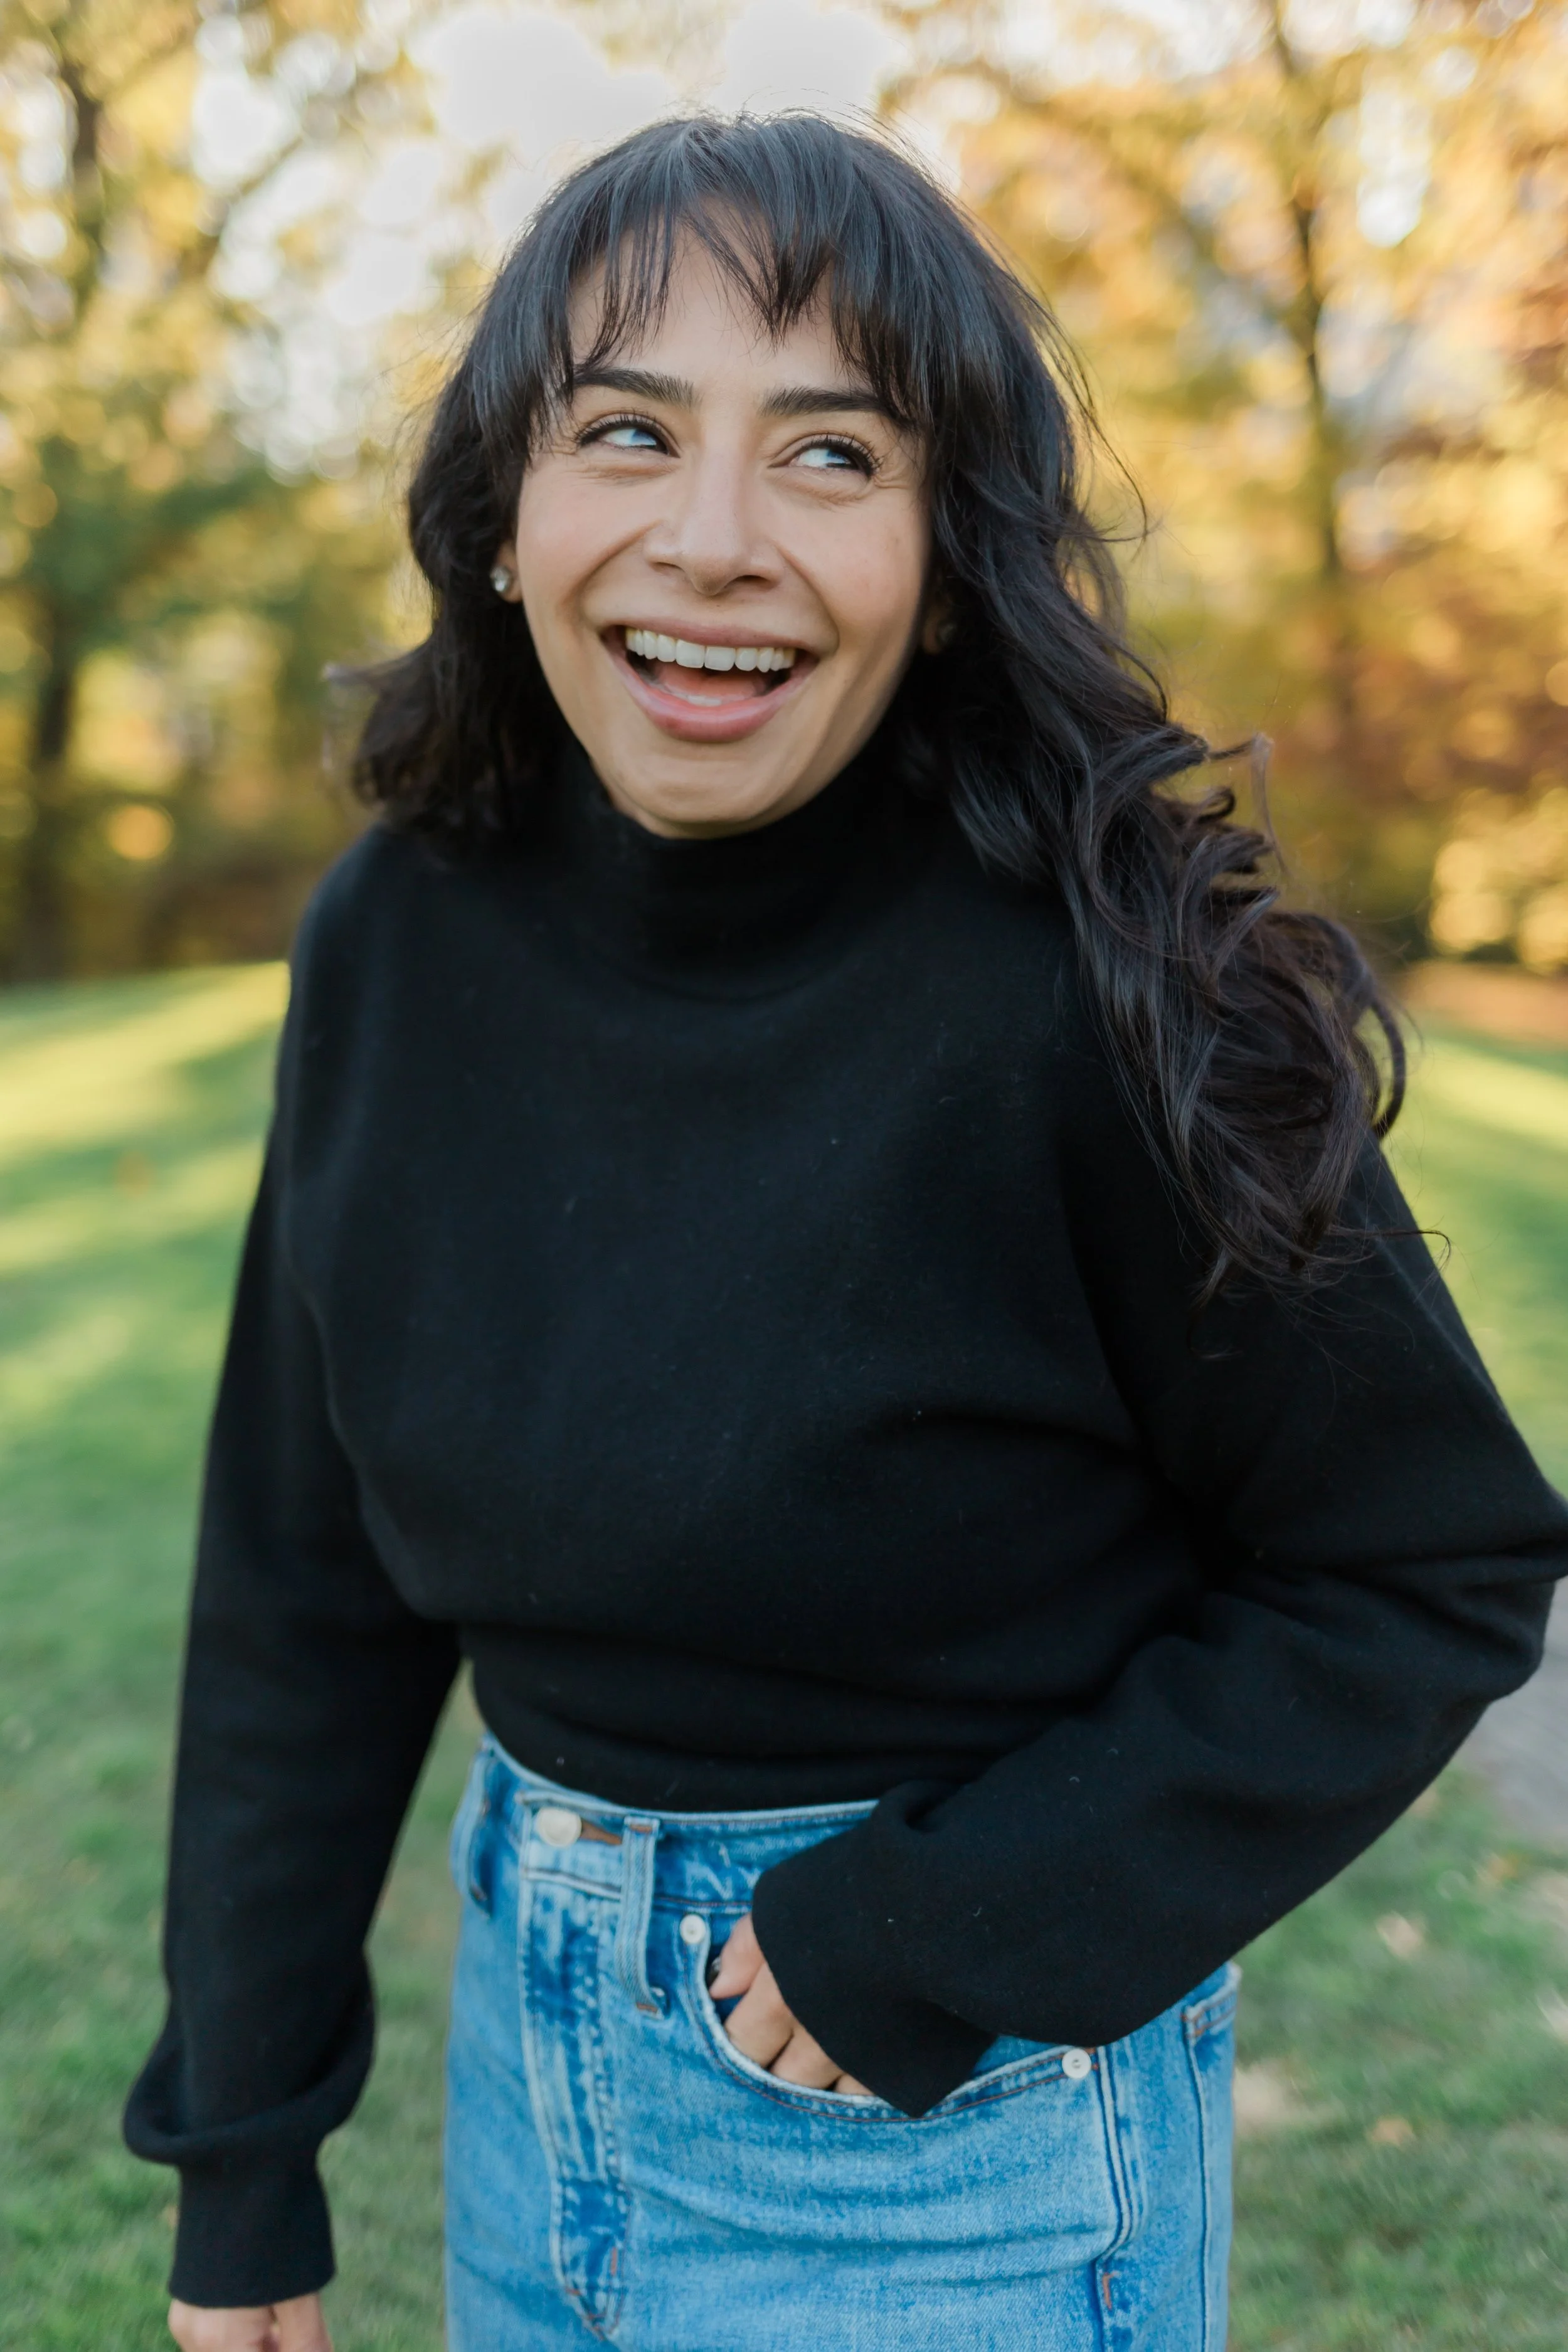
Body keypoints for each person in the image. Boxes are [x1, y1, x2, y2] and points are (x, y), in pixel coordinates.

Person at [125, 114, 1567, 2352]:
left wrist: (939, 1929)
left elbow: (1423, 1562)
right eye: (627, 430)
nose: (711, 542)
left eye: (830, 455)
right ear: (507, 515)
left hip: (955, 2141)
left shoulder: (1105, 978)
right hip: (529, 2067)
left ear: (944, 547)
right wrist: (242, 2152)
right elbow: (300, 1579)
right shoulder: (396, 936)